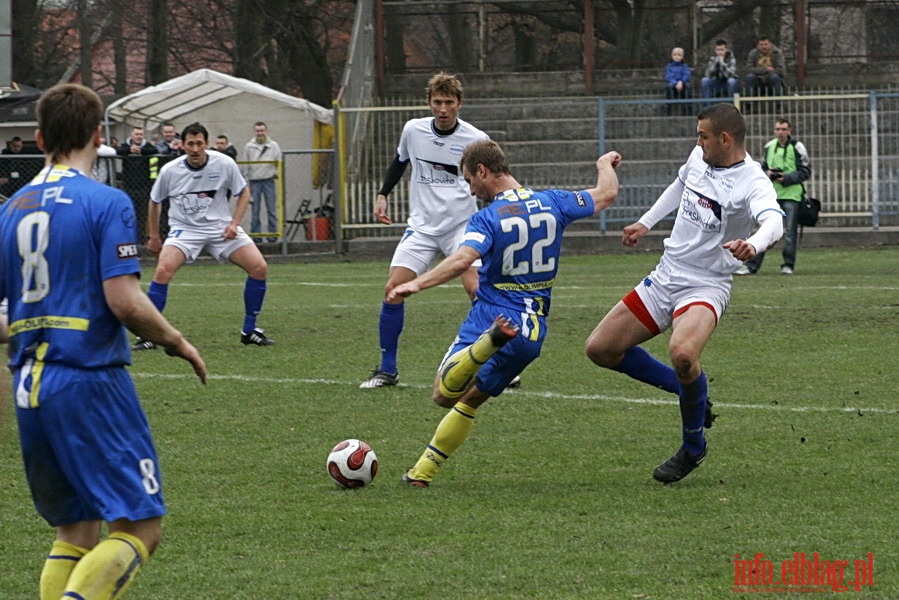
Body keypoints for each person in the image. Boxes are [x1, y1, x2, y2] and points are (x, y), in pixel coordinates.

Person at [0, 83, 207, 600]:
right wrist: (176, 340)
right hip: (88, 382)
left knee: (75, 530)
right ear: (99, 135)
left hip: (30, 386)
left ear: (41, 136)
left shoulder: (10, 211)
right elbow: (125, 302)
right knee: (139, 528)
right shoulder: (106, 201)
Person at [390, 140, 621, 487]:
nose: (470, 190)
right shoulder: (553, 201)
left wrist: (418, 284)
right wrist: (604, 163)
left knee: (443, 393)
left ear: (483, 171)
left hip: (493, 314)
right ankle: (422, 473)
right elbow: (605, 195)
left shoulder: (487, 218)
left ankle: (487, 344)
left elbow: (463, 259)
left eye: (470, 181)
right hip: (532, 331)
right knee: (473, 398)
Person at [584, 103, 784, 483]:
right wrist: (645, 222)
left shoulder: (753, 182)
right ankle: (689, 391)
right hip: (667, 274)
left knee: (683, 353)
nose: (698, 141)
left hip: (706, 283)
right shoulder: (698, 157)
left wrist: (754, 245)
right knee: (600, 349)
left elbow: (773, 220)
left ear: (724, 139)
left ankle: (693, 447)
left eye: (703, 136)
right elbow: (679, 185)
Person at [360, 71, 489, 389]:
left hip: (461, 226)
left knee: (478, 291)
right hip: (421, 227)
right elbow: (399, 161)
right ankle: (387, 370)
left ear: (459, 103)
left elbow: (490, 179)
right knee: (393, 290)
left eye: (448, 102)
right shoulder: (413, 130)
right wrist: (382, 195)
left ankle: (497, 363)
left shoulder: (476, 139)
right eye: (437, 102)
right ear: (429, 103)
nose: (442, 109)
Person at [131, 121, 275, 350]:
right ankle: (149, 335)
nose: (195, 148)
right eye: (190, 144)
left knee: (259, 267)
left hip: (220, 228)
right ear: (182, 146)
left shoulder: (224, 163)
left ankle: (249, 330)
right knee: (162, 270)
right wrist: (154, 236)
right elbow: (155, 201)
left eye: (199, 143)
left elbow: (244, 192)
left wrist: (234, 224)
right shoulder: (170, 170)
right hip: (184, 230)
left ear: (206, 144)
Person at [737, 117, 811, 275]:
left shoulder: (798, 147)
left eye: (784, 129)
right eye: (778, 129)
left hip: (792, 195)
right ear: (774, 130)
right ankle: (752, 266)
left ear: (789, 130)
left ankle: (788, 265)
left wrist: (787, 178)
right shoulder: (769, 146)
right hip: (772, 195)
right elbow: (761, 169)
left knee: (790, 232)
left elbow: (806, 171)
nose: (781, 132)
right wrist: (768, 173)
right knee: (764, 230)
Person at [242, 121, 281, 242]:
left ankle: (273, 235)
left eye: (262, 130)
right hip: (254, 182)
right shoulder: (249, 146)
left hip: (269, 180)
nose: (260, 133)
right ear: (255, 132)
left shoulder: (274, 145)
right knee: (255, 211)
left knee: (272, 210)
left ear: (266, 131)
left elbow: (279, 161)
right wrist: (246, 183)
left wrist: (275, 173)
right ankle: (256, 236)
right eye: (258, 131)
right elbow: (245, 165)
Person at [116, 126, 159, 234]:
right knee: (128, 213)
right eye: (136, 134)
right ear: (131, 135)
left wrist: (141, 150)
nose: (139, 137)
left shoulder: (147, 146)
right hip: (128, 186)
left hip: (144, 187)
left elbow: (155, 150)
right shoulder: (125, 145)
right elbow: (117, 151)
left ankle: (140, 239)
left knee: (142, 215)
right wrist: (129, 150)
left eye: (141, 134)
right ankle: (128, 235)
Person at [700, 39, 739, 104]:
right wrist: (716, 63)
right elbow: (708, 74)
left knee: (732, 81)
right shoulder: (713, 58)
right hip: (716, 82)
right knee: (705, 80)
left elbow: (731, 74)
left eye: (722, 49)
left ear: (726, 50)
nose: (720, 52)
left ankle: (731, 108)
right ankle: (708, 109)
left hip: (727, 82)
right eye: (718, 50)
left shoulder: (731, 58)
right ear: (715, 50)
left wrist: (722, 64)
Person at [663, 47, 692, 116]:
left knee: (688, 86)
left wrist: (681, 82)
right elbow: (669, 76)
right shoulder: (669, 66)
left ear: (682, 57)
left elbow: (686, 74)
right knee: (669, 86)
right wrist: (675, 83)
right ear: (672, 56)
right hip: (673, 84)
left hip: (683, 84)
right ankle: (669, 108)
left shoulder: (685, 66)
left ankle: (687, 109)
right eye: (674, 55)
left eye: (679, 55)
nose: (676, 57)